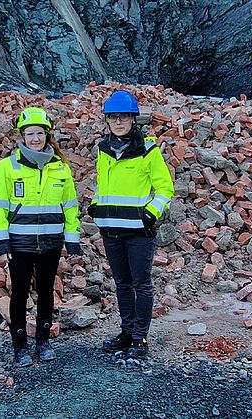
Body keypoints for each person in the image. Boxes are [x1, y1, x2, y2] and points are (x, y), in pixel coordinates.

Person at [0, 106, 82, 368]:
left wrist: (72, 238)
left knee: (46, 292)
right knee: (18, 294)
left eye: (40, 133)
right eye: (30, 133)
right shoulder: (7, 167)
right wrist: (1, 242)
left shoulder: (61, 169)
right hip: (19, 243)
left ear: (47, 135)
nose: (35, 139)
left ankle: (43, 341)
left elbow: (70, 207)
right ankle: (20, 347)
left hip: (51, 243)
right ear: (22, 135)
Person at [88, 90, 174, 358]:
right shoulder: (103, 150)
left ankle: (140, 338)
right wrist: (96, 203)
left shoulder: (148, 150)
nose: (119, 122)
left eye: (124, 116)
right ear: (108, 120)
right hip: (111, 229)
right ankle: (126, 332)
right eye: (114, 117)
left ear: (133, 118)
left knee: (141, 283)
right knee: (122, 283)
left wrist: (150, 214)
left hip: (139, 231)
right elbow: (104, 186)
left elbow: (165, 189)